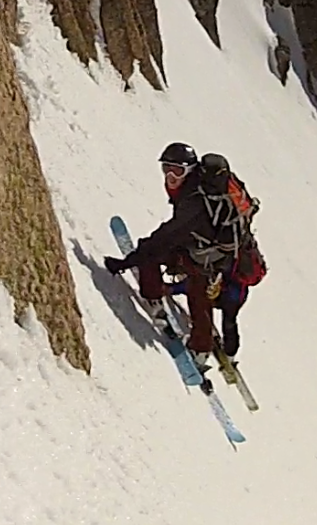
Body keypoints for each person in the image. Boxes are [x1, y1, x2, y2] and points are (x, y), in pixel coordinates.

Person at [104, 143, 265, 366]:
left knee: (192, 290)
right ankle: (204, 348)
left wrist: (127, 261)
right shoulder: (204, 189)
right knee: (199, 295)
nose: (170, 176)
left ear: (190, 169)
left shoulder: (195, 201)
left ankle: (196, 344)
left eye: (177, 170)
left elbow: (165, 237)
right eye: (166, 169)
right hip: (213, 255)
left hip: (204, 258)